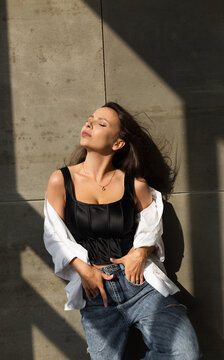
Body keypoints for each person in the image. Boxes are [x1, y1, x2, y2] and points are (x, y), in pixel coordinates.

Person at [44, 102, 201, 359]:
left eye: (101, 124)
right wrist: (85, 270)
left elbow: (152, 222)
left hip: (141, 285)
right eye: (90, 119)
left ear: (117, 143)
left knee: (185, 354)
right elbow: (54, 235)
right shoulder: (60, 180)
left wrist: (139, 253)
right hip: (96, 292)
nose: (89, 124)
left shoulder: (135, 183)